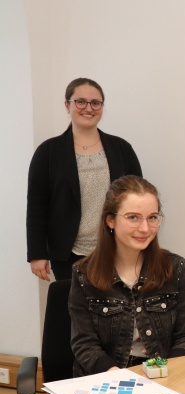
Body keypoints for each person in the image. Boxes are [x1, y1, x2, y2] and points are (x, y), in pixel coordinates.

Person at [69, 175, 185, 377]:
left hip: (164, 375)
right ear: (110, 220)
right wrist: (119, 376)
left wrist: (165, 372)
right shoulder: (83, 274)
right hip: (108, 377)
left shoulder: (175, 267)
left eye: (152, 217)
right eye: (133, 217)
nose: (145, 229)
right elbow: (85, 345)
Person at [27, 78, 142, 281]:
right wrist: (37, 254)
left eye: (95, 103)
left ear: (101, 107)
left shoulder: (122, 148)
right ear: (67, 105)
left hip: (117, 249)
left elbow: (139, 200)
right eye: (80, 101)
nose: (88, 108)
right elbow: (37, 205)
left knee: (118, 311)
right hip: (68, 253)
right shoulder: (48, 152)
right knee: (74, 312)